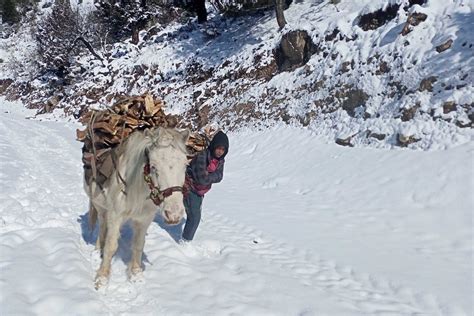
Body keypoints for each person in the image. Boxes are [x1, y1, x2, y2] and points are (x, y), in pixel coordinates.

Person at [181, 130, 229, 242]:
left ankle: (185, 241)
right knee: (194, 218)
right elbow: (202, 179)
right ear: (214, 146)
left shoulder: (220, 160)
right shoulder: (202, 156)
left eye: (223, 149)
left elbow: (220, 176)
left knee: (194, 216)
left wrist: (209, 175)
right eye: (218, 148)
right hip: (190, 188)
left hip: (200, 191)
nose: (220, 152)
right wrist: (211, 176)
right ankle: (184, 243)